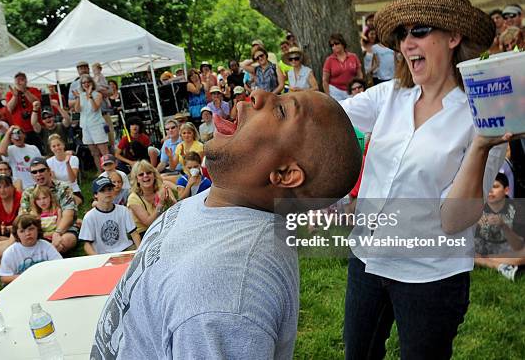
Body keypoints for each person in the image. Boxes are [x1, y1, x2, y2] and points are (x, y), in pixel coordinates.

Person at [91, 89, 362, 359]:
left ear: (284, 174)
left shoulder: (225, 299)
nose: (257, 95)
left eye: (280, 111)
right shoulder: (217, 202)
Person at [340, 0, 511, 359]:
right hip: (367, 260)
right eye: (403, 34)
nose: (406, 43)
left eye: (419, 31)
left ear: (453, 37)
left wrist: (483, 145)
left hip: (430, 276)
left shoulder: (480, 118)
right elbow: (327, 117)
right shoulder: (388, 97)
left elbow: (455, 220)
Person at [18, 157, 78, 254]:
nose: (38, 174)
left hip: (63, 230)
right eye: (34, 172)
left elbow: (69, 215)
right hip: (37, 232)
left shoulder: (63, 187)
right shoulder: (28, 192)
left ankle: (38, 256)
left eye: (42, 170)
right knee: (3, 246)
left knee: (66, 241)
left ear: (49, 170)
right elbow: (22, 218)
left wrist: (57, 233)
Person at [80, 177, 141, 255]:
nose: (107, 192)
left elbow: (134, 234)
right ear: (95, 195)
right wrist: (97, 259)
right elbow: (87, 245)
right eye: (102, 190)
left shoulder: (123, 210)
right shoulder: (89, 217)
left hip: (125, 249)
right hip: (102, 254)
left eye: (109, 189)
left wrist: (139, 252)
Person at [0, 214, 62, 284]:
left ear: (38, 229)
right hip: (23, 284)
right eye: (22, 231)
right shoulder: (10, 253)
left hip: (46, 280)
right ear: (16, 234)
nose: (27, 233)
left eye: (31, 229)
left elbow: (59, 264)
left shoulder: (46, 246)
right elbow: (4, 277)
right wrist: (27, 277)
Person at [474, 173, 524, 257]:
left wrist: (504, 226)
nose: (490, 191)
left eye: (495, 186)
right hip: (480, 249)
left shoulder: (518, 210)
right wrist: (475, 224)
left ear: (506, 190)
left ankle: (485, 261)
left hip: (506, 251)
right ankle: (495, 263)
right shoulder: (476, 207)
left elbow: (519, 246)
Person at [127, 160, 176, 238]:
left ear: (154, 175)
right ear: (137, 179)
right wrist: (161, 204)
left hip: (165, 227)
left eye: (149, 173)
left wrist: (169, 200)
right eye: (141, 174)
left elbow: (176, 210)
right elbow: (148, 223)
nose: (145, 176)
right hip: (146, 234)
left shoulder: (163, 188)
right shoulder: (133, 198)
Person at [73, 74, 110, 172]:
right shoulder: (80, 95)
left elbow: (95, 108)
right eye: (83, 82)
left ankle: (110, 171)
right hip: (85, 126)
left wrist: (89, 96)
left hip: (97, 125)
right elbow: (77, 110)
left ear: (91, 83)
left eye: (87, 82)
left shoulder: (97, 94)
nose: (85, 84)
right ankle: (100, 172)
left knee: (104, 152)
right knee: (94, 152)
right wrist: (77, 98)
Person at [5, 72, 44, 151]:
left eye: (22, 79)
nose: (20, 82)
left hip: (34, 128)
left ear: (26, 81)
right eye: (18, 80)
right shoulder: (10, 94)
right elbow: (9, 108)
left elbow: (36, 102)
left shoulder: (33, 90)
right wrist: (15, 96)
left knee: (37, 150)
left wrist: (25, 91)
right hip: (20, 130)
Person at [322, 33, 363, 101]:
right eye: (332, 45)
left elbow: (360, 74)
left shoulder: (353, 57)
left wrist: (357, 87)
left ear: (342, 43)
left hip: (352, 90)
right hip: (335, 91)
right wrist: (328, 96)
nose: (334, 46)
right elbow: (325, 80)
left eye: (337, 43)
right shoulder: (329, 60)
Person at [46, 134, 83, 205]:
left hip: (73, 190)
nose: (57, 148)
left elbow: (72, 179)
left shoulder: (73, 159)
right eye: (54, 146)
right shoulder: (49, 162)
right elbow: (53, 181)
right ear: (51, 148)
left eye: (58, 145)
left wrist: (67, 163)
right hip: (58, 191)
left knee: (70, 202)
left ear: (63, 145)